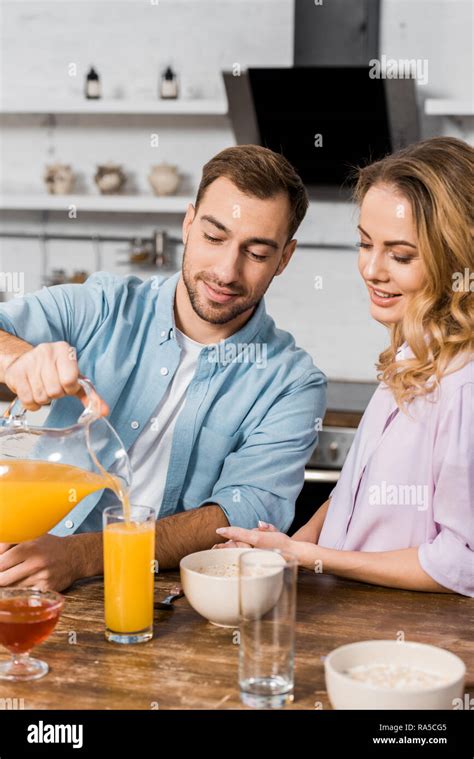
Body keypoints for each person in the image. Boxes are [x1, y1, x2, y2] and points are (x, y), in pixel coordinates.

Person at [0, 145, 326, 591]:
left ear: (284, 259)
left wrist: (82, 555)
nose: (227, 271)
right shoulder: (101, 306)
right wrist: (17, 359)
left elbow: (243, 511)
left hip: (157, 596)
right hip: (17, 568)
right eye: (214, 237)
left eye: (257, 252)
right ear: (188, 224)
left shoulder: (291, 383)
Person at [215, 137, 474, 598]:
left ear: (456, 256)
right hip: (347, 617)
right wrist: (285, 552)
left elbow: (462, 561)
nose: (372, 269)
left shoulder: (464, 389)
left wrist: (313, 559)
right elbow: (351, 493)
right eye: (365, 243)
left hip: (409, 641)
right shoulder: (408, 358)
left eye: (401, 255)